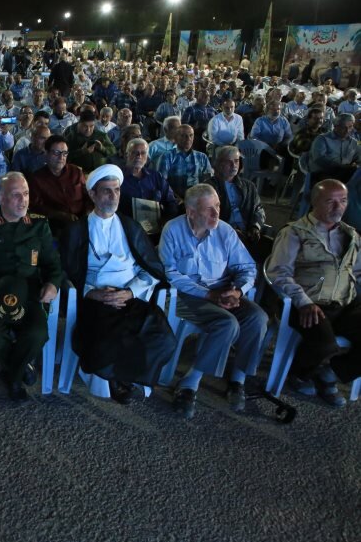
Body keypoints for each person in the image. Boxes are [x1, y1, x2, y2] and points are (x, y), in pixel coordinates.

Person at [59, 164, 176, 404]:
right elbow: (66, 272)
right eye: (106, 191)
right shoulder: (77, 230)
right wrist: (92, 293)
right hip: (95, 300)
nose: (113, 196)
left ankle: (127, 375)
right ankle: (117, 379)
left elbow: (150, 268)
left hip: (130, 298)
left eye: (117, 190)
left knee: (162, 336)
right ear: (92, 194)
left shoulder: (130, 227)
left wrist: (130, 292)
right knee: (108, 336)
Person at [159, 183, 268, 419]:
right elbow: (170, 274)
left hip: (223, 291)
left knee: (258, 318)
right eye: (209, 209)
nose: (216, 213)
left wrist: (238, 292)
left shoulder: (225, 231)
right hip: (187, 296)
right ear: (191, 212)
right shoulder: (173, 230)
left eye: (217, 206)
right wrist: (208, 295)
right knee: (227, 323)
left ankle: (238, 379)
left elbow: (247, 267)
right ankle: (190, 382)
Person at [0, 172, 63, 399]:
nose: (23, 200)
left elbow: (53, 264)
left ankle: (12, 375)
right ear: (1, 198)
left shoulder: (39, 224)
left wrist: (53, 284)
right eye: (16, 195)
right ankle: (22, 369)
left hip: (29, 294)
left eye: (26, 194)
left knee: (37, 334)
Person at [267, 179, 360, 408]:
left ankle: (330, 373)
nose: (338, 207)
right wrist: (303, 302)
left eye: (343, 201)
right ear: (314, 202)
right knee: (324, 344)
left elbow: (358, 272)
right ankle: (299, 373)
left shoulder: (351, 235)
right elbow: (278, 273)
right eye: (330, 201)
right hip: (307, 304)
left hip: (343, 303)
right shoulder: (295, 232)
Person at [206, 146, 267, 259]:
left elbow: (258, 209)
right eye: (229, 162)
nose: (234, 165)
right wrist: (229, 231)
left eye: (236, 161)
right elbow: (206, 216)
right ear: (219, 164)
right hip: (221, 236)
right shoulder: (209, 187)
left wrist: (255, 226)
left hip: (247, 233)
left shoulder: (249, 186)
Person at [119, 138, 178, 228]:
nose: (139, 156)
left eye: (143, 153)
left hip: (156, 227)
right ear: (127, 155)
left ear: (147, 157)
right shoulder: (118, 178)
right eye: (135, 152)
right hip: (128, 228)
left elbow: (171, 202)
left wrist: (166, 221)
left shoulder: (156, 176)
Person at [157, 125, 213, 199]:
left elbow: (208, 181)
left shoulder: (202, 157)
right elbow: (162, 182)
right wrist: (176, 199)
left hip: (197, 198)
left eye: (191, 135)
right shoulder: (167, 157)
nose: (188, 139)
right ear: (176, 138)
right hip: (174, 198)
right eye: (183, 136)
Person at [308, 113, 360, 183]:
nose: (347, 130)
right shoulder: (322, 139)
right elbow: (319, 159)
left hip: (346, 174)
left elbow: (359, 158)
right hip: (325, 175)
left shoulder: (354, 142)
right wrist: (341, 167)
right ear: (336, 126)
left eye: (350, 127)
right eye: (343, 127)